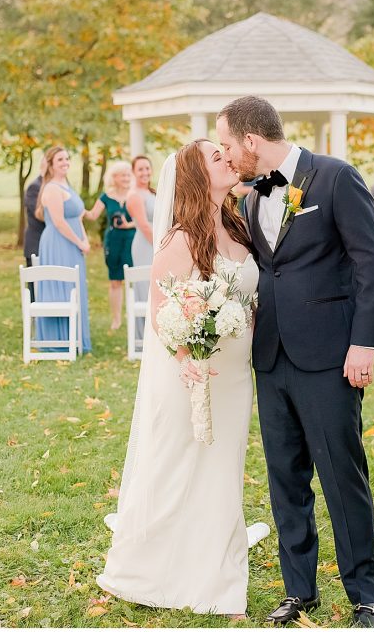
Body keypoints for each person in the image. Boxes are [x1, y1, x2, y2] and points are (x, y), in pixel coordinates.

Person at [218, 96, 374, 628]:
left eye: (227, 145)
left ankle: (365, 596)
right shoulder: (247, 200)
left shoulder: (335, 178)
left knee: (342, 476)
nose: (226, 156)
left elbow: (371, 259)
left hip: (330, 357)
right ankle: (300, 591)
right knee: (284, 479)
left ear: (252, 141)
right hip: (270, 357)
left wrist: (364, 343)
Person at [97, 140, 259, 617]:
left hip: (234, 373)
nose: (228, 159)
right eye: (216, 157)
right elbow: (162, 312)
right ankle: (150, 568)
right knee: (178, 463)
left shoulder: (239, 225)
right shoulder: (181, 238)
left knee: (223, 466)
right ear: (195, 176)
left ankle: (217, 568)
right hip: (192, 370)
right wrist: (189, 356)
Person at [35, 146, 92, 354]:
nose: (65, 162)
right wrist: (79, 242)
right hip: (58, 243)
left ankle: (75, 339)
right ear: (51, 164)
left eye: (67, 158)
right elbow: (59, 222)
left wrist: (85, 240)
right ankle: (57, 340)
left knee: (74, 287)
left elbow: (77, 217)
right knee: (59, 288)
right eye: (60, 159)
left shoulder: (66, 185)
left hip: (73, 243)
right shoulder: (51, 188)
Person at [84, 161, 136, 330]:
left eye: (129, 175)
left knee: (136, 279)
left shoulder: (135, 194)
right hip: (113, 242)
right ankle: (116, 319)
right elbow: (92, 215)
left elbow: (146, 219)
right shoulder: (106, 196)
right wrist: (76, 210)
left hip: (132, 240)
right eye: (123, 175)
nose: (127, 178)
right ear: (114, 177)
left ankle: (137, 316)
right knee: (115, 281)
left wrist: (129, 224)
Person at [125, 154, 156, 337]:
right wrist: (160, 246)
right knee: (145, 285)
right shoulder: (134, 195)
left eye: (147, 168)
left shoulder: (152, 192)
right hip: (146, 244)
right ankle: (144, 335)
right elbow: (144, 225)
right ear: (134, 172)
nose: (145, 172)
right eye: (140, 169)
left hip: (156, 240)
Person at [23, 171, 45, 303]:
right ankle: (36, 319)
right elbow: (39, 215)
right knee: (35, 289)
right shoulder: (34, 187)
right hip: (36, 243)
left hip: (53, 244)